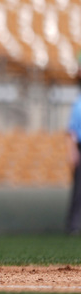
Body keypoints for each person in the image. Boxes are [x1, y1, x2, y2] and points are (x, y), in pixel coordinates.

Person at [66, 88, 81, 235]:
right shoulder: (79, 103)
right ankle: (74, 225)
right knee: (79, 190)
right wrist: (72, 151)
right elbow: (71, 130)